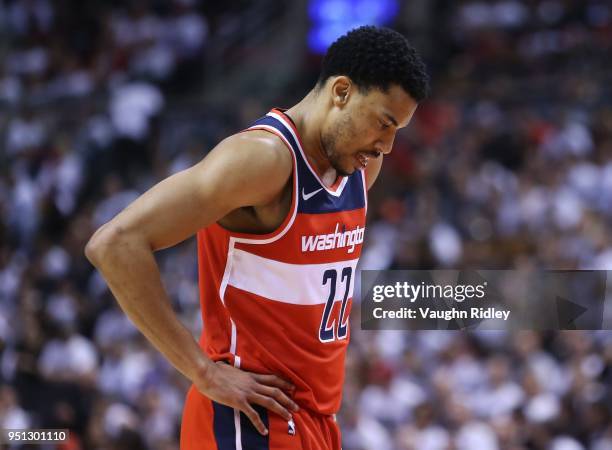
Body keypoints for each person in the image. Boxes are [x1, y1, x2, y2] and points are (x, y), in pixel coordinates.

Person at [85, 25, 429, 450]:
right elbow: (115, 243)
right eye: (384, 123)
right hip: (251, 421)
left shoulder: (358, 167)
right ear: (341, 92)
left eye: (399, 131)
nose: (388, 146)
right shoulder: (264, 160)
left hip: (316, 421)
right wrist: (202, 371)